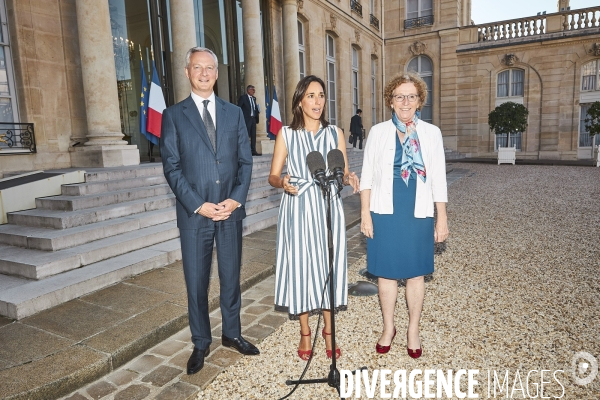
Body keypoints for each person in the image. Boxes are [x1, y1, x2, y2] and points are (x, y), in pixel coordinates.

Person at [161, 47, 259, 376]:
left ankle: (231, 334)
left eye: (210, 68)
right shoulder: (173, 116)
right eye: (197, 67)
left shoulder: (234, 114)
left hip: (230, 211)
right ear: (187, 72)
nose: (204, 73)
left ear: (217, 74)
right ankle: (201, 341)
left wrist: (235, 199)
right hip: (195, 214)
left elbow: (246, 162)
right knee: (197, 282)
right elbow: (172, 168)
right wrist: (198, 204)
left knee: (231, 278)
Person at [268, 75, 360, 361]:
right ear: (299, 100)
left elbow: (341, 173)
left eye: (321, 95)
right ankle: (305, 331)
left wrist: (349, 176)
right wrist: (282, 182)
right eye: (311, 95)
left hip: (329, 206)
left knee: (329, 266)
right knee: (301, 267)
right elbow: (272, 175)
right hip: (298, 207)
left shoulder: (336, 134)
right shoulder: (286, 134)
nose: (317, 101)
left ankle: (330, 331)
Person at [360, 72, 448, 359]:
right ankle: (388, 328)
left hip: (418, 211)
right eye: (400, 96)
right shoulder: (378, 131)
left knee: (415, 274)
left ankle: (413, 329)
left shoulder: (431, 133)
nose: (405, 101)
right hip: (384, 211)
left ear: (420, 100)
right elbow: (367, 176)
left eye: (411, 96)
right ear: (391, 101)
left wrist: (441, 218)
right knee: (385, 273)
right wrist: (365, 214)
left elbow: (438, 178)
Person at [237, 85, 261, 156]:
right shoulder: (243, 98)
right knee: (246, 135)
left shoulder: (254, 98)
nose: (254, 92)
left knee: (253, 135)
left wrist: (257, 111)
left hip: (253, 119)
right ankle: (245, 151)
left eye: (254, 90)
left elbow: (254, 108)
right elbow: (239, 108)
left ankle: (253, 151)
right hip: (246, 119)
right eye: (253, 90)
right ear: (249, 90)